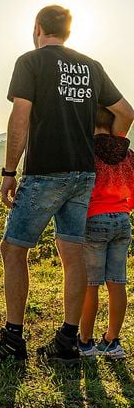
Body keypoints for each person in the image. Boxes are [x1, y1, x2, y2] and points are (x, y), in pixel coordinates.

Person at [0, 4, 134, 365]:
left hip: (46, 171)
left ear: (38, 27)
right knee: (72, 254)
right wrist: (107, 146)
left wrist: (9, 172)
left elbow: (21, 117)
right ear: (69, 31)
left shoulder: (30, 62)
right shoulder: (91, 66)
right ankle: (67, 342)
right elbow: (126, 112)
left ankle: (13, 340)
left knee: (13, 250)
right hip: (83, 174)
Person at [78, 106, 134, 359]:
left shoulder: (87, 151)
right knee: (117, 282)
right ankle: (112, 341)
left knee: (90, 285)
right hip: (123, 219)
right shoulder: (127, 153)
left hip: (94, 219)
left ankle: (85, 342)